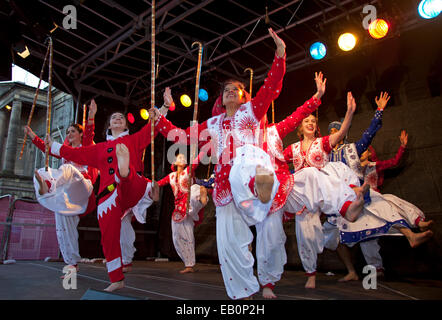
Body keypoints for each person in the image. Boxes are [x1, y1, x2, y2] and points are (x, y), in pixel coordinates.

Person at [149, 27, 286, 300]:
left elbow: (270, 87)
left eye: (236, 89)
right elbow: (181, 136)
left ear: (244, 96)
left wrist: (280, 55)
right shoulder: (212, 124)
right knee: (229, 243)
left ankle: (260, 185)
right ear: (221, 99)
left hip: (249, 169)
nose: (230, 92)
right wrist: (159, 119)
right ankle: (244, 291)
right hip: (225, 187)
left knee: (246, 160)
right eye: (226, 90)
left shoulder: (252, 111)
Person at [45, 100, 164, 291]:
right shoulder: (99, 148)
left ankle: (140, 183)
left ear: (125, 125)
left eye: (121, 118)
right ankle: (116, 278)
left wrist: (162, 108)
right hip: (108, 194)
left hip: (130, 187)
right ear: (109, 125)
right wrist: (51, 145)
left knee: (128, 177)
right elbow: (75, 153)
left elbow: (153, 127)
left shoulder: (134, 139)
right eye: (114, 118)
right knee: (108, 236)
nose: (117, 119)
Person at [283, 92, 369, 289]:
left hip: (323, 191)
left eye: (313, 120)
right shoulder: (293, 148)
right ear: (300, 126)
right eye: (307, 120)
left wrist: (349, 113)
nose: (311, 123)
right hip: (304, 198)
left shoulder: (322, 143)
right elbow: (277, 157)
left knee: (323, 173)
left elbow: (341, 132)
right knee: (306, 236)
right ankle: (311, 274)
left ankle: (347, 206)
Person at [27, 100, 98, 276]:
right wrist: (31, 135)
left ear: (80, 134)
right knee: (63, 225)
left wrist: (91, 116)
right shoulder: (64, 151)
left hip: (83, 187)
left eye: (73, 131)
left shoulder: (86, 147)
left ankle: (50, 186)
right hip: (67, 195)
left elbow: (89, 133)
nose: (69, 134)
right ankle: (71, 263)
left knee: (67, 169)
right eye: (68, 132)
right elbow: (47, 148)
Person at [157, 153, 208, 274]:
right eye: (180, 157)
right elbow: (158, 184)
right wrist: (143, 182)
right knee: (179, 237)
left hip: (190, 202)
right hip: (179, 211)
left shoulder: (188, 171)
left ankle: (202, 195)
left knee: (195, 188)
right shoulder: (171, 176)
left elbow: (196, 161)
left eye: (184, 157)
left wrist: (206, 149)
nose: (183, 158)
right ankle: (189, 264)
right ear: (174, 162)